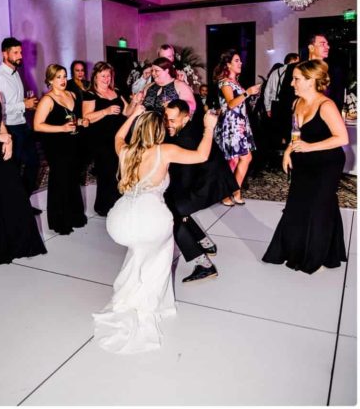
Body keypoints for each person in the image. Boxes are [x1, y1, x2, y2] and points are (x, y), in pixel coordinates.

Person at [92, 106, 218, 353]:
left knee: (138, 253)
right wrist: (209, 127)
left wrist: (132, 116)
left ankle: (129, 294)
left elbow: (117, 137)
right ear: (159, 130)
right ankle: (149, 304)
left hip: (120, 220)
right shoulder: (164, 150)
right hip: (150, 218)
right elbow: (202, 155)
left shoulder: (126, 151)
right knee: (157, 258)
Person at [263, 60, 348, 273]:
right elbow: (296, 134)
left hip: (327, 163)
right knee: (297, 203)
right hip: (304, 160)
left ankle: (316, 254)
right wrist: (288, 152)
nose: (292, 83)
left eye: (297, 79)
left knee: (319, 205)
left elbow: (342, 138)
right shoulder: (296, 103)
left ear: (311, 81)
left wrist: (309, 147)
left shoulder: (326, 105)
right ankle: (295, 247)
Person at [0, 58, 47, 265]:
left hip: (0, 151)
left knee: (14, 195)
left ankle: (19, 243)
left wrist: (8, 142)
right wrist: (1, 138)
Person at [164, 99, 239, 283]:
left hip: (207, 184)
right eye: (166, 118)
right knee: (176, 209)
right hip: (208, 178)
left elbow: (185, 179)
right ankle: (207, 245)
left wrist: (175, 204)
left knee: (170, 214)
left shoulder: (187, 138)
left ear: (186, 118)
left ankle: (204, 265)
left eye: (172, 120)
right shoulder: (187, 128)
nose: (168, 124)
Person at [34, 64, 89, 235]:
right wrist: (62, 129)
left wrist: (81, 122)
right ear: (50, 80)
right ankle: (60, 221)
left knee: (72, 178)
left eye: (64, 76)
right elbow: (37, 126)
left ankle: (74, 215)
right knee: (60, 180)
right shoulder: (47, 100)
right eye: (58, 77)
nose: (63, 80)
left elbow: (73, 119)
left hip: (73, 143)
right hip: (56, 146)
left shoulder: (72, 94)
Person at [0, 38, 40, 208]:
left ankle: (22, 202)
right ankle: (16, 207)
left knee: (33, 163)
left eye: (21, 52)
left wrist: (25, 102)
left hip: (22, 125)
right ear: (5, 53)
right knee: (14, 170)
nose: (20, 56)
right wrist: (23, 104)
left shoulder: (16, 72)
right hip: (9, 127)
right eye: (16, 52)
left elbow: (13, 101)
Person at [82, 62, 133, 216]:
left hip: (120, 137)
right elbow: (86, 117)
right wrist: (106, 111)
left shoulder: (116, 91)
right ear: (95, 76)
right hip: (102, 140)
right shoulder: (90, 94)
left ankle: (119, 202)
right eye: (102, 75)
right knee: (107, 172)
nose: (106, 78)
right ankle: (104, 206)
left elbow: (127, 112)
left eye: (108, 75)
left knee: (121, 170)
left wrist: (135, 102)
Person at [213, 49, 261, 206]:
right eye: (237, 60)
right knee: (233, 160)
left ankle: (235, 190)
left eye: (240, 60)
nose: (240, 63)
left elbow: (239, 103)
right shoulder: (225, 82)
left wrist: (250, 97)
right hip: (231, 125)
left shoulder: (236, 82)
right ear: (228, 64)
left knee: (246, 158)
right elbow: (231, 103)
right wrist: (247, 93)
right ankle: (225, 193)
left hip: (241, 124)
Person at [264, 53, 300, 149]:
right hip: (287, 104)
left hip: (274, 104)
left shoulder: (274, 72)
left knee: (276, 130)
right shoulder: (294, 72)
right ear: (293, 60)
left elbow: (267, 91)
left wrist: (268, 108)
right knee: (288, 129)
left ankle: (276, 152)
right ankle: (287, 149)